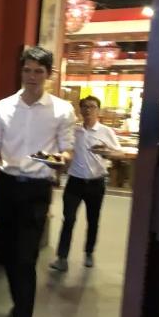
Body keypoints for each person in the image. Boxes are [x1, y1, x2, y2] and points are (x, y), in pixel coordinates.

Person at [0, 46, 76, 317]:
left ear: (48, 75)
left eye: (39, 71)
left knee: (25, 258)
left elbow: (67, 150)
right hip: (6, 186)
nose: (32, 76)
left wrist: (61, 160)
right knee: (9, 256)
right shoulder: (2, 108)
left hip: (37, 190)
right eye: (27, 70)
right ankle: (19, 305)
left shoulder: (62, 110)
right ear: (21, 72)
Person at [50, 95, 124, 272]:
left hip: (96, 183)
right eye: (85, 107)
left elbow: (120, 154)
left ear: (98, 110)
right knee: (68, 219)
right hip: (74, 182)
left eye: (92, 107)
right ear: (80, 110)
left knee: (93, 220)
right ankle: (62, 257)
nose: (88, 110)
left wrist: (106, 153)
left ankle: (89, 252)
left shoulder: (106, 131)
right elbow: (63, 153)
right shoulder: (74, 131)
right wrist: (57, 174)